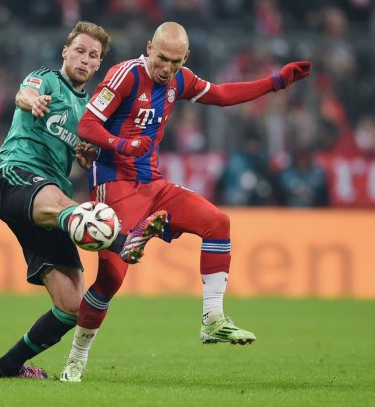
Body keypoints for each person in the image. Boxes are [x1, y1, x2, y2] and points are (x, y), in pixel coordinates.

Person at [60, 21, 311, 382]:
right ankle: (76, 360)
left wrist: (276, 82)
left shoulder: (180, 79)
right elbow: (87, 125)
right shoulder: (124, 76)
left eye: (175, 62)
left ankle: (212, 320)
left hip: (153, 184)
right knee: (111, 278)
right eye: (161, 58)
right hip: (114, 185)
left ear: (185, 58)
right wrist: (122, 145)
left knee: (218, 222)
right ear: (149, 48)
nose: (167, 68)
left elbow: (222, 95)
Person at [0, 21, 166, 379]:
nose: (85, 59)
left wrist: (85, 158)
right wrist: (32, 100)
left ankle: (7, 366)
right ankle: (123, 240)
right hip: (16, 179)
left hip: (50, 201)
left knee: (72, 306)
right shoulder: (46, 81)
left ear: (99, 65)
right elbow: (23, 94)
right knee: (76, 209)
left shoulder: (91, 111)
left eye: (93, 55)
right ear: (65, 52)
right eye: (80, 51)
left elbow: (85, 155)